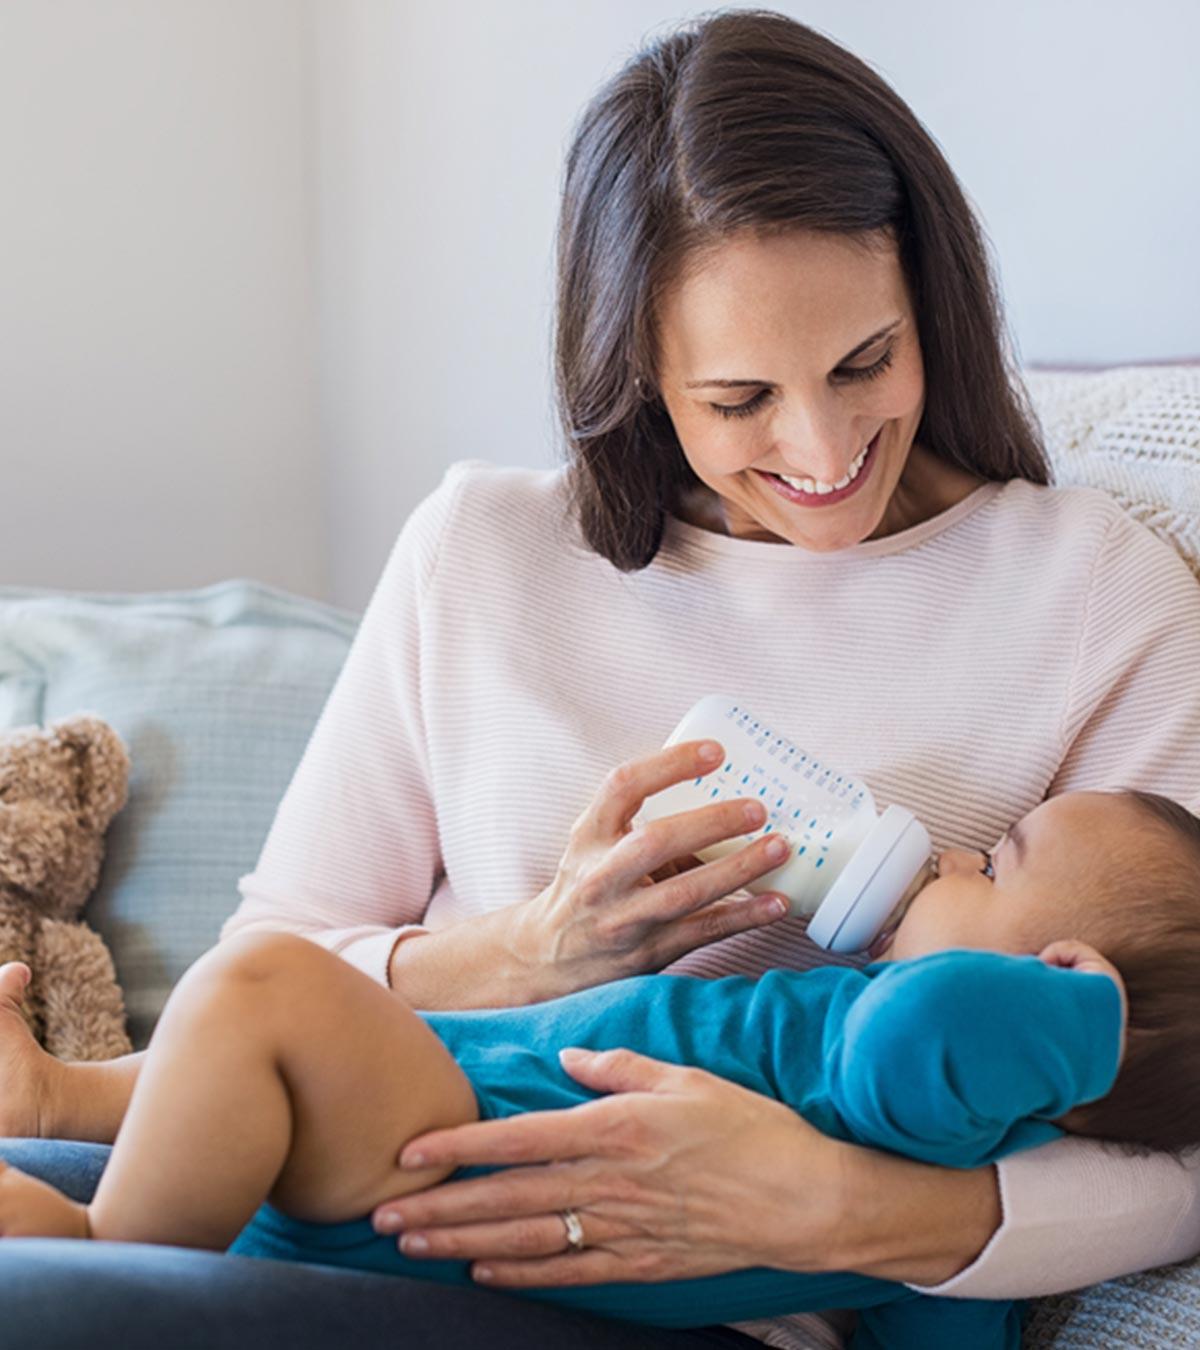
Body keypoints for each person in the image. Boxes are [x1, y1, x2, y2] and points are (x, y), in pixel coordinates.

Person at [3, 10, 1200, 1350]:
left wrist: (835, 1207)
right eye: (742, 397)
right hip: (336, 1168)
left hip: (660, 1303)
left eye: (866, 360)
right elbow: (275, 957)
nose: (824, 446)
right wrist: (530, 948)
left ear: (928, 298)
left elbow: (1180, 1106)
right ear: (639, 370)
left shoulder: (1092, 592)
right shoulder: (482, 550)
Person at [2, 786, 1199, 1350]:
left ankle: (117, 1251)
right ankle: (77, 1170)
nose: (947, 856)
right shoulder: (912, 1148)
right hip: (438, 1152)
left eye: (993, 864)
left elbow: (940, 1029)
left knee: (267, 988)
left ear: (1055, 984)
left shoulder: (905, 1071)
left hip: (447, 1155)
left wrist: (1082, 1020)